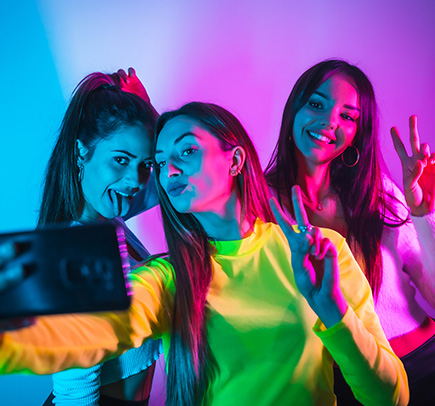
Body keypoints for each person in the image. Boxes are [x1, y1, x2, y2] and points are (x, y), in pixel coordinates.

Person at [0, 102, 409, 406]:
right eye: (159, 163)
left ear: (235, 160)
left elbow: (391, 397)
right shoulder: (169, 276)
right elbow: (92, 330)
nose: (167, 170)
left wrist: (334, 313)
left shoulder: (322, 253)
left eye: (186, 151)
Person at [265, 59, 435, 405]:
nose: (329, 122)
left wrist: (423, 214)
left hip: (425, 357)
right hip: (346, 379)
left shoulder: (379, 194)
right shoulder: (258, 204)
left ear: (359, 132)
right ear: (294, 110)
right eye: (316, 104)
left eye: (348, 115)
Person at [38, 69, 162, 405]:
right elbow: (75, 396)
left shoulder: (106, 219)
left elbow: (172, 181)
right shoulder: (79, 257)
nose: (135, 181)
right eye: (120, 160)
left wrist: (144, 109)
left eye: (145, 164)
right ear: (81, 152)